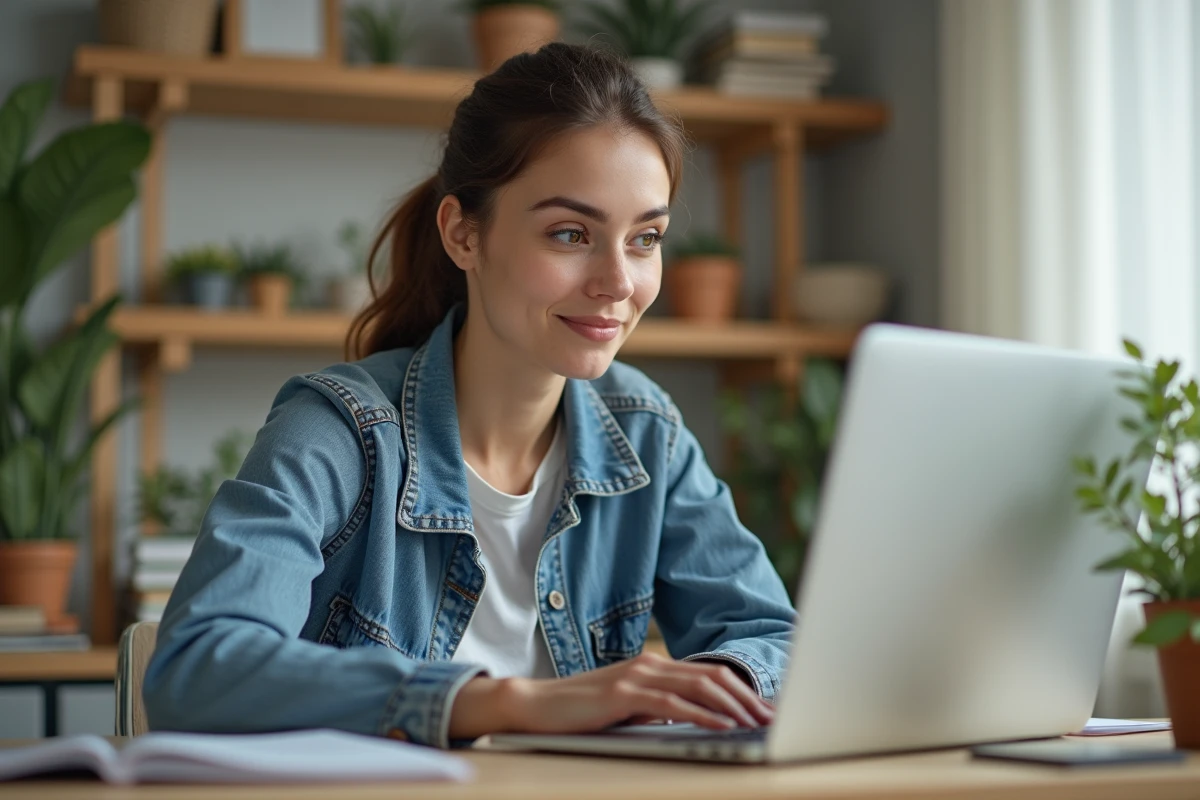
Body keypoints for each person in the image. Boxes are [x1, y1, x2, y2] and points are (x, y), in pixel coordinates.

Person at [143, 43, 793, 748]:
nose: (618, 282)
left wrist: (709, 687)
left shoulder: (645, 433)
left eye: (645, 238)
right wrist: (500, 702)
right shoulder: (338, 430)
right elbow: (194, 670)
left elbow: (775, 639)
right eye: (570, 233)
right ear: (463, 234)